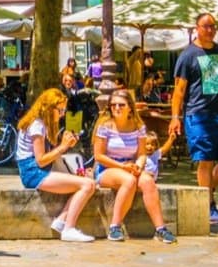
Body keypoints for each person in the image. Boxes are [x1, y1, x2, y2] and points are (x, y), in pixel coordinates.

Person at [167, 12, 218, 227]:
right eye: (206, 26)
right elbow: (179, 91)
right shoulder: (188, 55)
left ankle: (206, 191)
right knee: (206, 160)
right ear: (197, 28)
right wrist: (175, 117)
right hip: (198, 115)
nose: (210, 30)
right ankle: (208, 204)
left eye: (213, 26)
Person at [14, 88, 97, 242]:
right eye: (60, 110)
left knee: (87, 184)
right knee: (87, 185)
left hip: (39, 170)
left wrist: (65, 145)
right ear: (49, 108)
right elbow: (40, 160)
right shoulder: (37, 125)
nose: (63, 114)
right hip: (34, 172)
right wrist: (63, 147)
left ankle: (61, 222)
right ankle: (68, 229)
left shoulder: (41, 124)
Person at [94, 88, 175, 243]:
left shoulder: (139, 127)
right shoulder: (104, 127)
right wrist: (122, 166)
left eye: (121, 105)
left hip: (131, 167)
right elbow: (99, 156)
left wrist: (139, 165)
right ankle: (114, 227)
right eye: (113, 105)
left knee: (148, 181)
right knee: (129, 181)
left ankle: (160, 229)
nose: (116, 108)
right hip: (108, 168)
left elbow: (142, 154)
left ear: (130, 107)